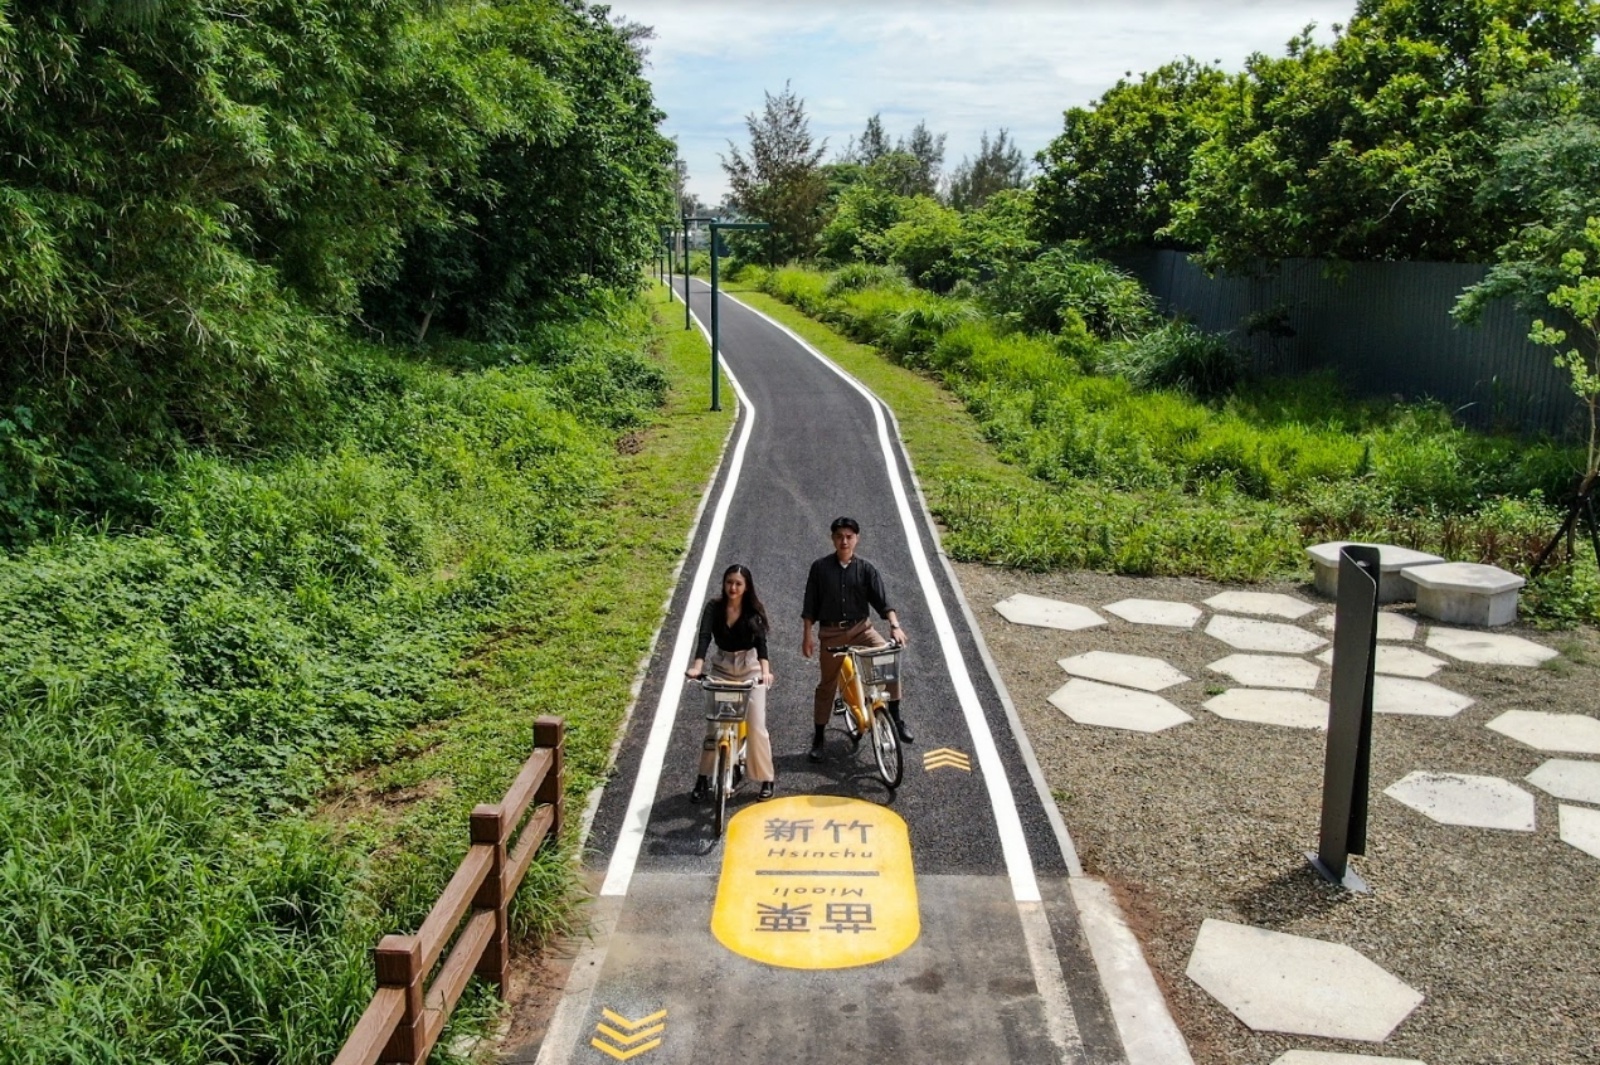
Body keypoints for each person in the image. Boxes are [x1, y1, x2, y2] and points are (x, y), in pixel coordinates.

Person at [800, 516, 911, 763]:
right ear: (833, 539)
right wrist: (807, 634)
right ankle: (819, 737)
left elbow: (883, 602)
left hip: (862, 630)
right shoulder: (819, 568)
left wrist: (895, 626)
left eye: (849, 537)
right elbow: (810, 604)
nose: (844, 541)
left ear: (856, 539)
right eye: (839, 536)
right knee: (826, 685)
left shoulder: (866, 569)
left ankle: (896, 716)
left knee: (888, 661)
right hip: (831, 633)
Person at [686, 563, 776, 801]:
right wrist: (697, 666)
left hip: (750, 668)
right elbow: (704, 637)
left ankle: (766, 778)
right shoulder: (714, 608)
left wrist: (765, 672)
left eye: (738, 584)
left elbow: (761, 645)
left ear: (746, 588)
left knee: (756, 726)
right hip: (722, 668)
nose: (732, 588)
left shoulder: (753, 611)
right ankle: (702, 778)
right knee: (714, 728)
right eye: (729, 582)